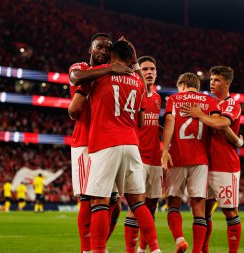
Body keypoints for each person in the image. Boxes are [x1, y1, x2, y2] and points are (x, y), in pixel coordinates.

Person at [80, 40, 161, 253]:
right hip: (132, 144)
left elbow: (76, 86)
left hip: (105, 143)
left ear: (112, 55)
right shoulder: (138, 81)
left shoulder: (99, 73)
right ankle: (155, 249)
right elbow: (142, 122)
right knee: (137, 203)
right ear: (131, 59)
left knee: (100, 202)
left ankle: (98, 250)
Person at [68, 33, 133, 253]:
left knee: (113, 204)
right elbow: (76, 77)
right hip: (85, 142)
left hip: (109, 143)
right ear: (90, 49)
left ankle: (100, 246)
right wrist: (110, 69)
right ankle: (88, 250)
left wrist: (127, 57)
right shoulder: (85, 70)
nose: (103, 51)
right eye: (99, 47)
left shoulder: (109, 76)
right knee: (89, 200)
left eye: (108, 48)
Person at [183, 66, 243, 253]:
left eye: (217, 80)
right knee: (204, 211)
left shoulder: (231, 104)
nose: (212, 83)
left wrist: (200, 115)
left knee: (229, 211)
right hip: (204, 165)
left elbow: (222, 123)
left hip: (226, 165)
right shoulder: (208, 103)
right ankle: (203, 250)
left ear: (227, 83)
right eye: (211, 79)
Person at [162, 73, 221, 253]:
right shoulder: (210, 101)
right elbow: (217, 124)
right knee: (199, 209)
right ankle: (197, 251)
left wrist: (165, 148)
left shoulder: (173, 98)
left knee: (173, 204)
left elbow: (170, 120)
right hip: (201, 160)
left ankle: (180, 239)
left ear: (181, 85)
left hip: (177, 157)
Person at [124, 56, 163, 253]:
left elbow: (154, 124)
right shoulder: (133, 93)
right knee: (136, 207)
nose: (149, 72)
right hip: (137, 158)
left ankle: (141, 250)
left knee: (152, 207)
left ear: (156, 73)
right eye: (145, 69)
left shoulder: (157, 97)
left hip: (155, 159)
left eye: (152, 69)